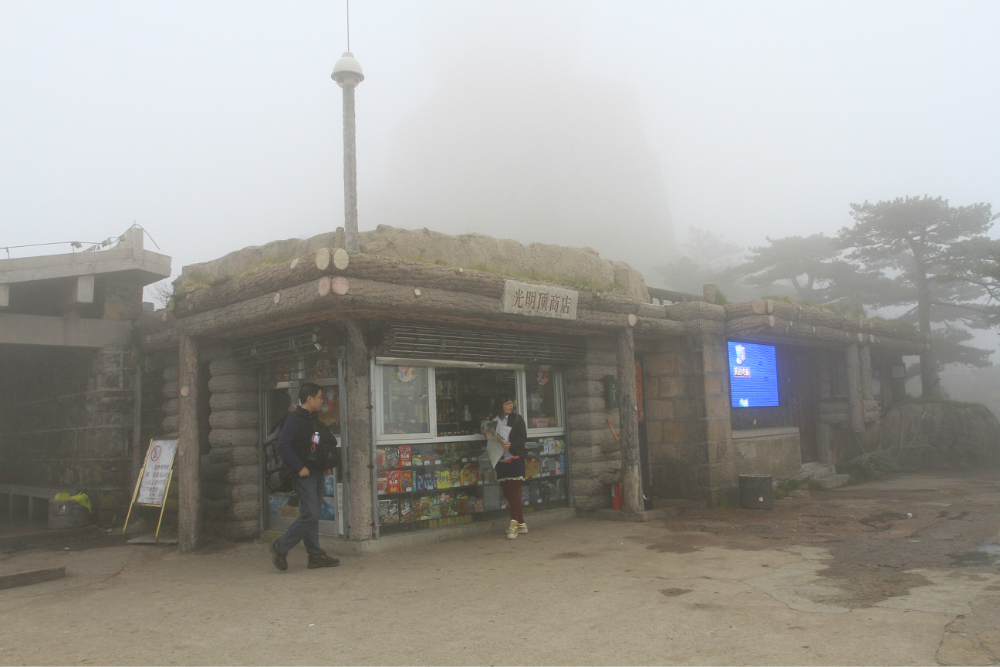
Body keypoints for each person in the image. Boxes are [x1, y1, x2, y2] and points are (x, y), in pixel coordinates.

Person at [269, 383, 341, 571]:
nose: (322, 400)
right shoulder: (294, 419)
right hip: (304, 475)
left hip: (316, 472)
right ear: (309, 398)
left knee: (312, 515)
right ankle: (280, 547)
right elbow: (283, 445)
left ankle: (315, 556)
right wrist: (299, 467)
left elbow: (314, 445)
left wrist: (325, 466)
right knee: (311, 514)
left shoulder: (312, 419)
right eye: (319, 397)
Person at [489, 394, 529, 539]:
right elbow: (491, 439)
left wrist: (511, 444)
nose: (510, 406)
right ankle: (521, 523)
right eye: (507, 403)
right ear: (500, 405)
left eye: (511, 403)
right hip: (500, 460)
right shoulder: (493, 421)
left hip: (515, 459)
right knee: (508, 493)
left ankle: (513, 525)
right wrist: (486, 433)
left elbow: (523, 437)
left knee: (513, 493)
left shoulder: (517, 418)